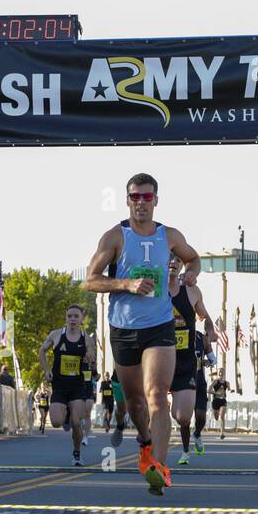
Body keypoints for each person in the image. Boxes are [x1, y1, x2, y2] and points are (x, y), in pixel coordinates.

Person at [85, 173, 201, 495]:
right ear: (127, 200)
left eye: (146, 197)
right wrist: (126, 284)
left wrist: (191, 272)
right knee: (136, 403)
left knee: (156, 394)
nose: (140, 203)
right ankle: (145, 442)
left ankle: (159, 469)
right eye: (135, 197)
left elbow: (194, 258)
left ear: (156, 201)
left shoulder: (169, 235)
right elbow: (90, 280)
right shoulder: (115, 237)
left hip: (160, 325)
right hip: (123, 328)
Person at [167, 265, 217, 466]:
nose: (172, 263)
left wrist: (211, 329)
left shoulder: (192, 292)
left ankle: (195, 435)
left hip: (190, 370)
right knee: (162, 411)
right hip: (162, 358)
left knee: (189, 417)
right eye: (169, 258)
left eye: (178, 260)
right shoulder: (156, 288)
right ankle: (150, 443)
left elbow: (205, 316)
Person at [39, 304, 97, 466]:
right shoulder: (56, 335)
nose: (72, 319)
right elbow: (42, 351)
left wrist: (90, 358)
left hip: (77, 386)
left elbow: (91, 354)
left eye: (76, 316)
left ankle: (77, 453)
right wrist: (46, 370)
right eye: (69, 316)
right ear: (66, 318)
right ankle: (65, 415)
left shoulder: (86, 338)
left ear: (81, 319)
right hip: (59, 385)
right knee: (56, 422)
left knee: (77, 423)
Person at [210, 370, 231, 438]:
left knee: (222, 416)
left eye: (222, 374)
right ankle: (216, 413)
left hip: (223, 401)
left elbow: (229, 389)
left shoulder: (227, 383)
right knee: (216, 417)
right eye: (220, 374)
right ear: (218, 374)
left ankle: (222, 433)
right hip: (216, 401)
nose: (221, 375)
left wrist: (231, 390)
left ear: (224, 374)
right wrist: (216, 393)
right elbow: (208, 390)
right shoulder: (215, 381)